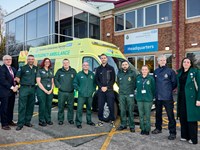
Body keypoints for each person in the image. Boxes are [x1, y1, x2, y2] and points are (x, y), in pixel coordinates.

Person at [151, 55, 177, 140]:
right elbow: (154, 84)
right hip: (158, 97)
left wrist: (168, 90)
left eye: (164, 60)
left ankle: (172, 132)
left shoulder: (170, 71)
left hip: (167, 97)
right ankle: (158, 128)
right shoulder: (156, 71)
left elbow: (174, 83)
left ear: (166, 61)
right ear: (158, 62)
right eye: (161, 60)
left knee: (170, 116)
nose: (163, 61)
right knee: (158, 114)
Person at [177, 57, 200, 144]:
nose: (186, 63)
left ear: (190, 64)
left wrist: (199, 99)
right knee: (183, 117)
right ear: (182, 63)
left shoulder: (196, 72)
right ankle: (184, 136)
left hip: (192, 99)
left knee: (192, 119)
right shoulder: (180, 73)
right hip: (182, 98)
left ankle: (193, 138)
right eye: (184, 62)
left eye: (188, 62)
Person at [15, 55, 38, 131]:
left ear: (34, 60)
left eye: (32, 59)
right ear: (27, 60)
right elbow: (17, 78)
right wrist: (21, 84)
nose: (31, 60)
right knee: (22, 106)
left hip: (32, 88)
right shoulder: (23, 68)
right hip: (24, 88)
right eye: (29, 59)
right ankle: (20, 123)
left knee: (30, 106)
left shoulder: (36, 68)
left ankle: (27, 122)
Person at [73, 62, 96, 128]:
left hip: (89, 95)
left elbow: (95, 83)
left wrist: (93, 90)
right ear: (82, 66)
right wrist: (79, 90)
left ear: (88, 66)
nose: (85, 66)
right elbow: (75, 83)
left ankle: (89, 121)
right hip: (81, 96)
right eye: (84, 65)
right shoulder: (79, 74)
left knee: (89, 109)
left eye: (87, 65)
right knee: (79, 109)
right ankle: (78, 122)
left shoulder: (92, 74)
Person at [95, 53, 116, 127]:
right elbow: (96, 80)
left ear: (106, 59)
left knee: (111, 106)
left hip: (109, 90)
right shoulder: (98, 69)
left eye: (104, 58)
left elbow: (113, 79)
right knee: (100, 106)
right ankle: (100, 120)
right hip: (101, 91)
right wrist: (101, 87)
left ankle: (112, 121)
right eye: (102, 58)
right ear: (100, 59)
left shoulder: (111, 68)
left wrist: (107, 87)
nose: (103, 59)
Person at [54, 59, 76, 125]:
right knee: (61, 107)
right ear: (62, 64)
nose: (65, 64)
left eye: (67, 63)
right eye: (64, 63)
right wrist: (59, 86)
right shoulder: (59, 71)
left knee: (71, 107)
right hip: (62, 93)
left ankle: (70, 119)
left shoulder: (73, 71)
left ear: (69, 63)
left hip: (71, 92)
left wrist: (75, 86)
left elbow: (76, 80)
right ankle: (60, 120)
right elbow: (55, 79)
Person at [116, 60, 136, 132]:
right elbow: (118, 82)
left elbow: (135, 83)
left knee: (130, 110)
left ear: (128, 65)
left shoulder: (132, 73)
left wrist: (131, 90)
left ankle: (131, 126)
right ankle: (123, 125)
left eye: (126, 64)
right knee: (122, 110)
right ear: (121, 66)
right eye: (123, 64)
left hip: (130, 94)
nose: (124, 66)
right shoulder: (119, 73)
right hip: (121, 94)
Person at [135, 65, 155, 135]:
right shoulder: (138, 78)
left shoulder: (151, 78)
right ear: (141, 71)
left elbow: (153, 89)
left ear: (148, 71)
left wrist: (152, 97)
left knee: (147, 115)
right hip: (139, 99)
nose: (144, 71)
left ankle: (147, 129)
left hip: (148, 99)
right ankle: (142, 128)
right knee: (141, 115)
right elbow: (135, 87)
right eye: (143, 69)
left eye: (145, 69)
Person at [0, 55, 18, 130]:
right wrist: (12, 87)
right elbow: (3, 80)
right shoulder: (1, 69)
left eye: (10, 59)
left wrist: (17, 85)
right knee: (4, 108)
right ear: (3, 61)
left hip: (12, 92)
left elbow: (16, 78)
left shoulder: (13, 69)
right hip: (4, 92)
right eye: (6, 59)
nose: (8, 61)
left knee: (11, 107)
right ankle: (4, 124)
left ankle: (10, 121)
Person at [36, 58, 54, 126]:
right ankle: (41, 120)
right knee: (42, 106)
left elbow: (52, 82)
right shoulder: (40, 70)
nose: (47, 63)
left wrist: (51, 90)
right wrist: (45, 90)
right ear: (43, 62)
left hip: (50, 91)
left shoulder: (51, 71)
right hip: (42, 91)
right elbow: (38, 82)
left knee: (49, 106)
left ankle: (48, 119)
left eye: (48, 62)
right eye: (46, 62)